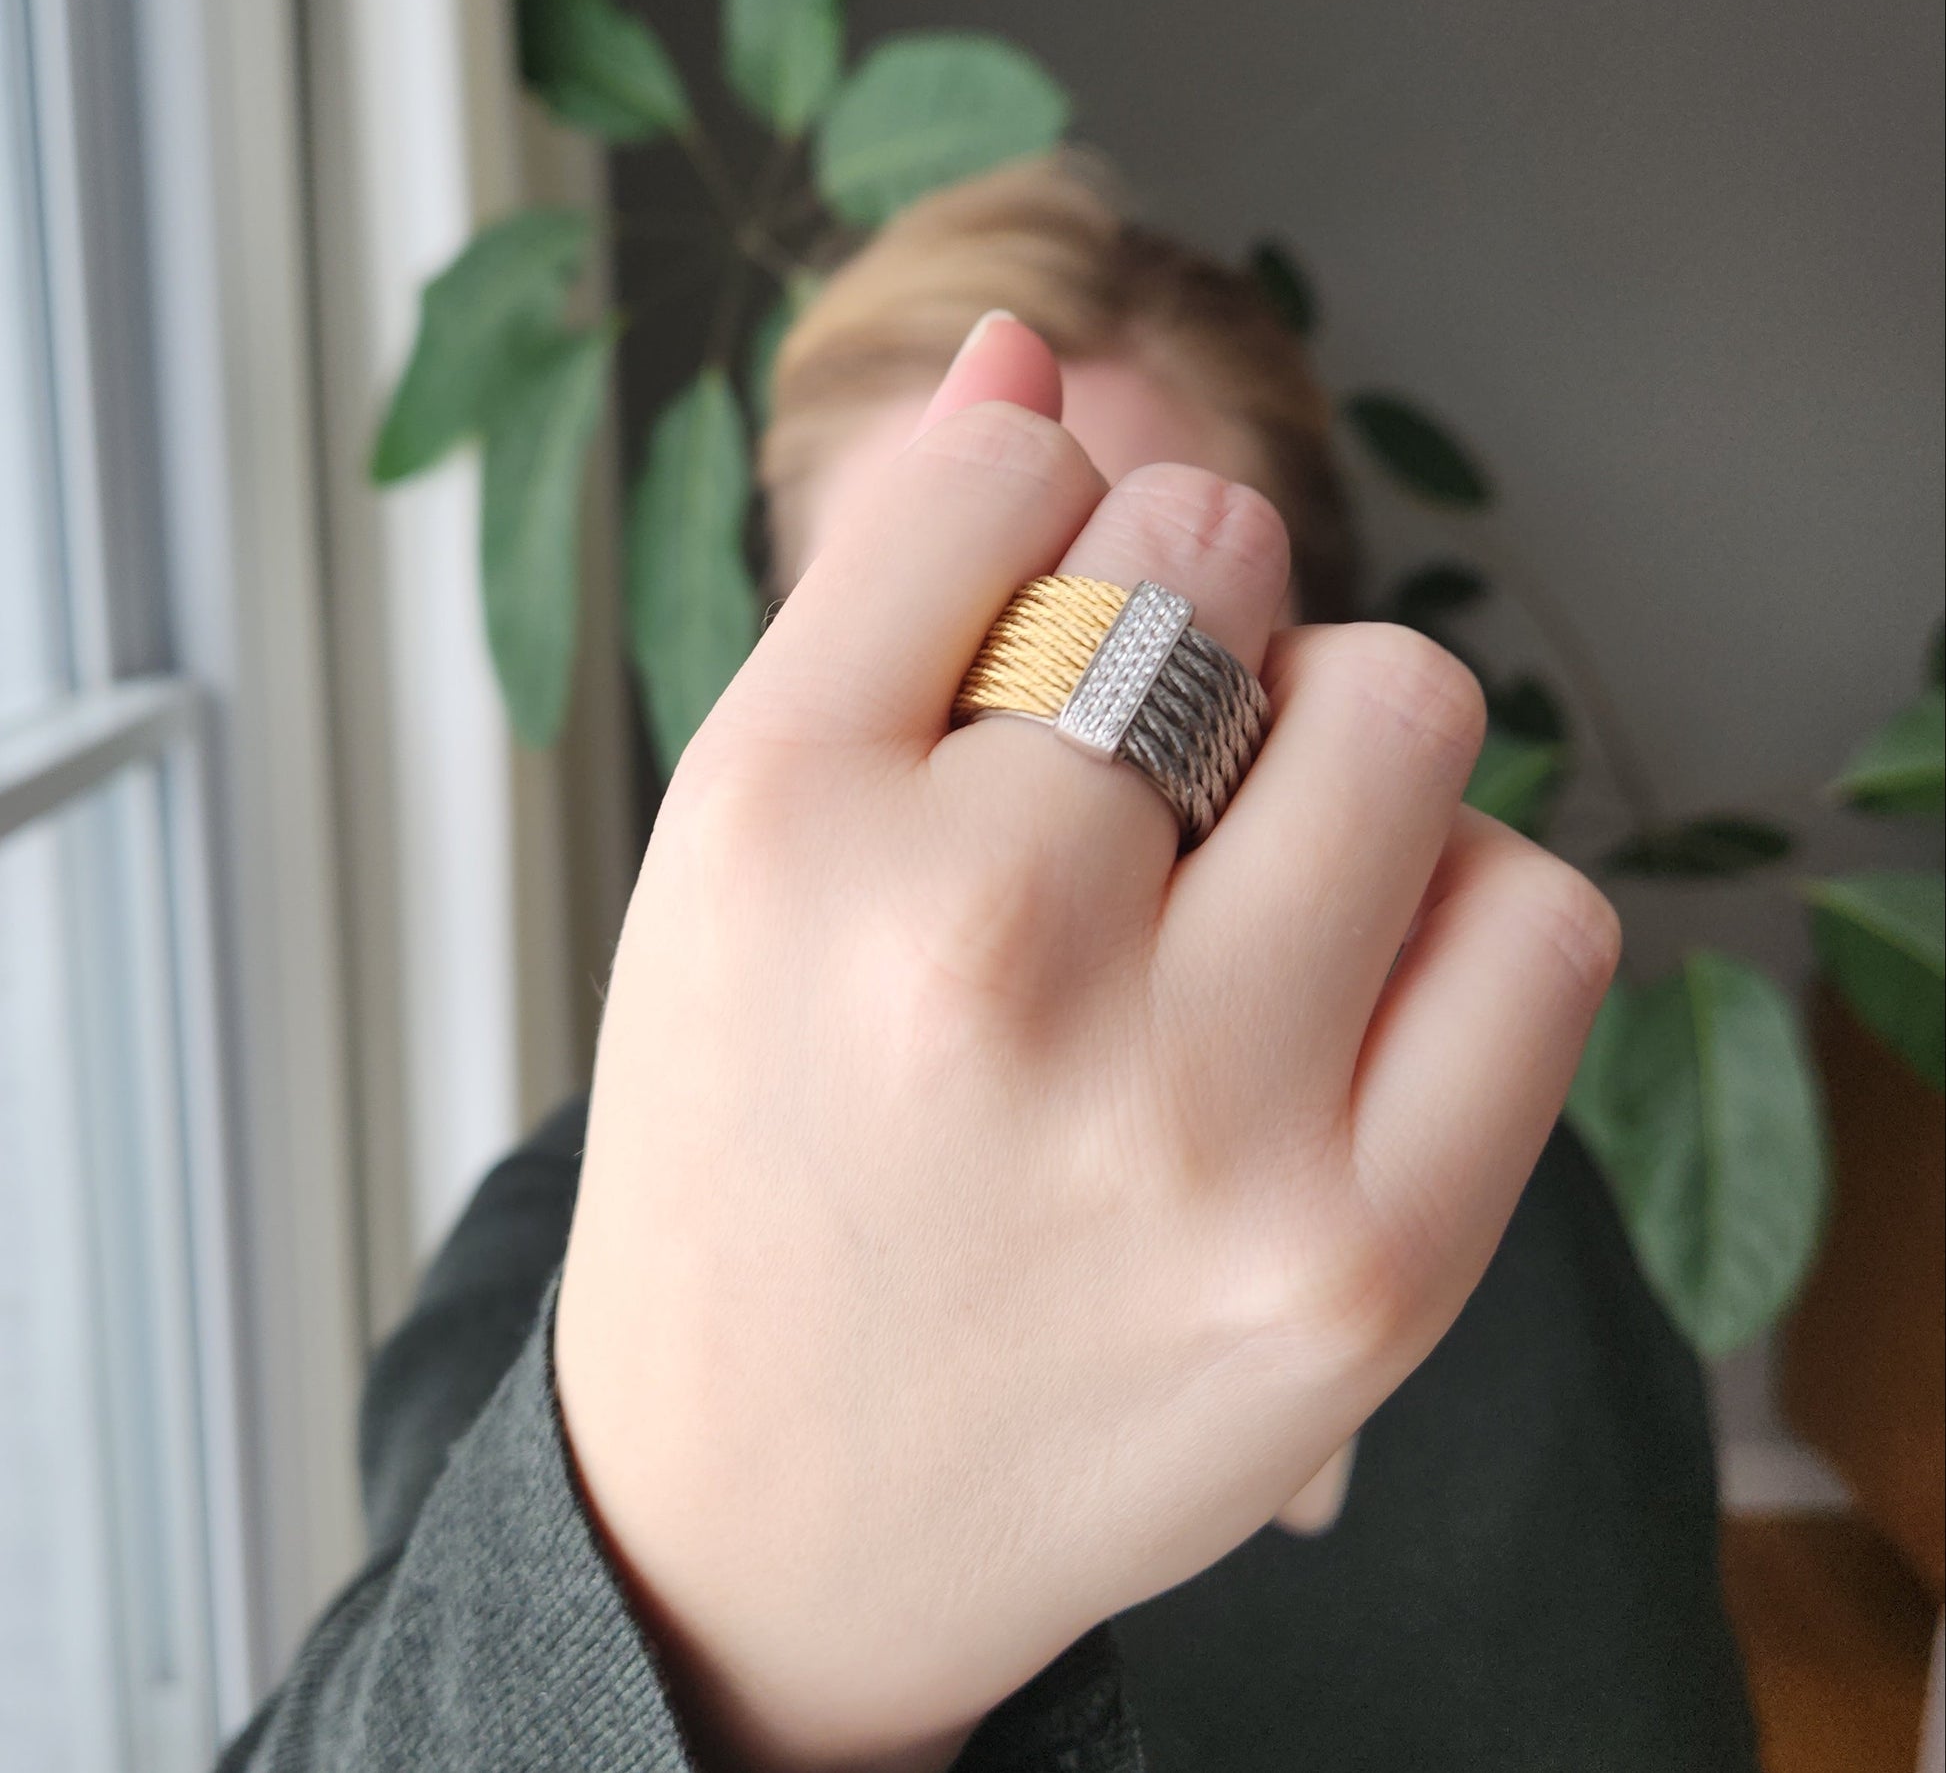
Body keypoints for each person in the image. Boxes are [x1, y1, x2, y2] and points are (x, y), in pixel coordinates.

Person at [221, 157, 1758, 1772]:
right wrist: (735, 1627)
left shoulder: (1521, 1200)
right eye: (969, 662)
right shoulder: (573, 1253)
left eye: (1164, 647)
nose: (1035, 837)